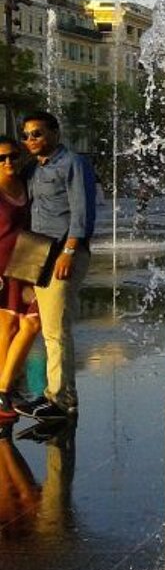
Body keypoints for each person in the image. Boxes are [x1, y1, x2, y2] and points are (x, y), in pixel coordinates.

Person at [9, 112, 96, 424]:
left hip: (62, 252)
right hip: (35, 251)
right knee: (40, 326)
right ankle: (40, 393)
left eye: (37, 134)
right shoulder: (32, 167)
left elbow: (82, 212)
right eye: (27, 135)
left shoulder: (72, 163)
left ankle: (59, 400)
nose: (31, 140)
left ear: (55, 133)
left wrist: (69, 252)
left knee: (56, 330)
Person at [0, 137, 41, 430]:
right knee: (8, 327)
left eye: (13, 156)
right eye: (1, 158)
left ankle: (3, 389)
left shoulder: (27, 181)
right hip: (1, 264)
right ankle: (4, 393)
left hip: (29, 255)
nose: (8, 163)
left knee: (32, 324)